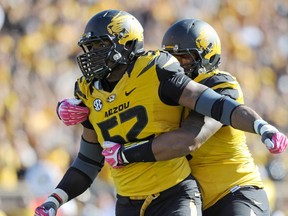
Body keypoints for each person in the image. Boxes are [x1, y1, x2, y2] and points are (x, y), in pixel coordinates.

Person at [35, 10, 287, 216]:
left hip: (233, 190)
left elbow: (191, 138)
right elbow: (116, 112)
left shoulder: (217, 84)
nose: (177, 63)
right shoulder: (155, 84)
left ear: (207, 58)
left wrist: (261, 126)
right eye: (172, 56)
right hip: (192, 198)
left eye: (184, 58)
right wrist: (74, 105)